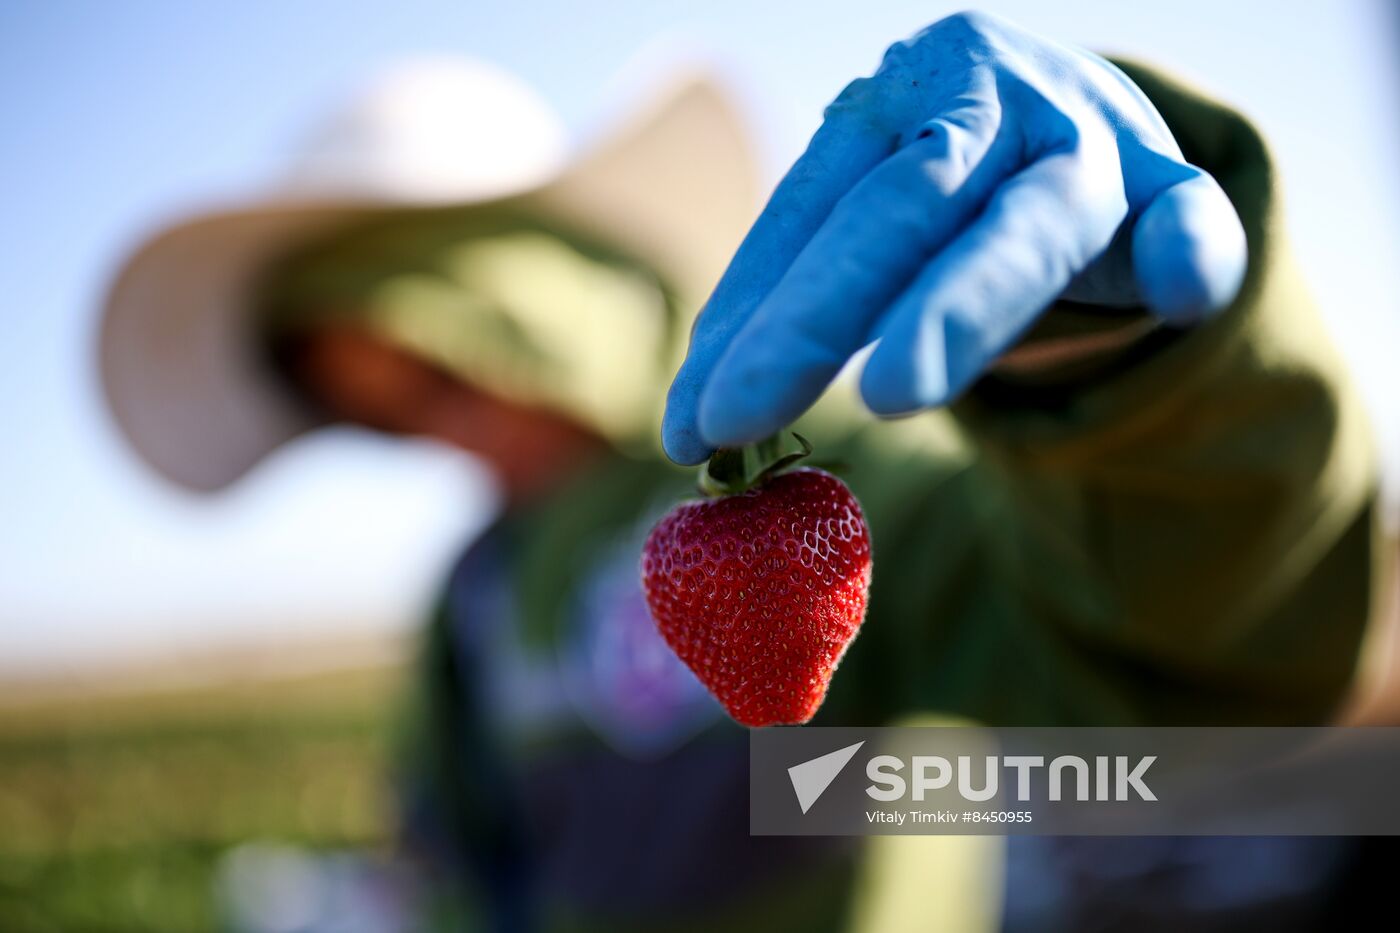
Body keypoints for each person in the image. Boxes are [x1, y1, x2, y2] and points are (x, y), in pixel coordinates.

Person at [99, 13, 1387, 932]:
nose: (451, 436)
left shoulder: (839, 481)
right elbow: (462, 854)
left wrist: (1131, 389)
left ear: (542, 300)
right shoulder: (474, 599)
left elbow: (1190, 680)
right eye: (368, 413)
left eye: (445, 365)